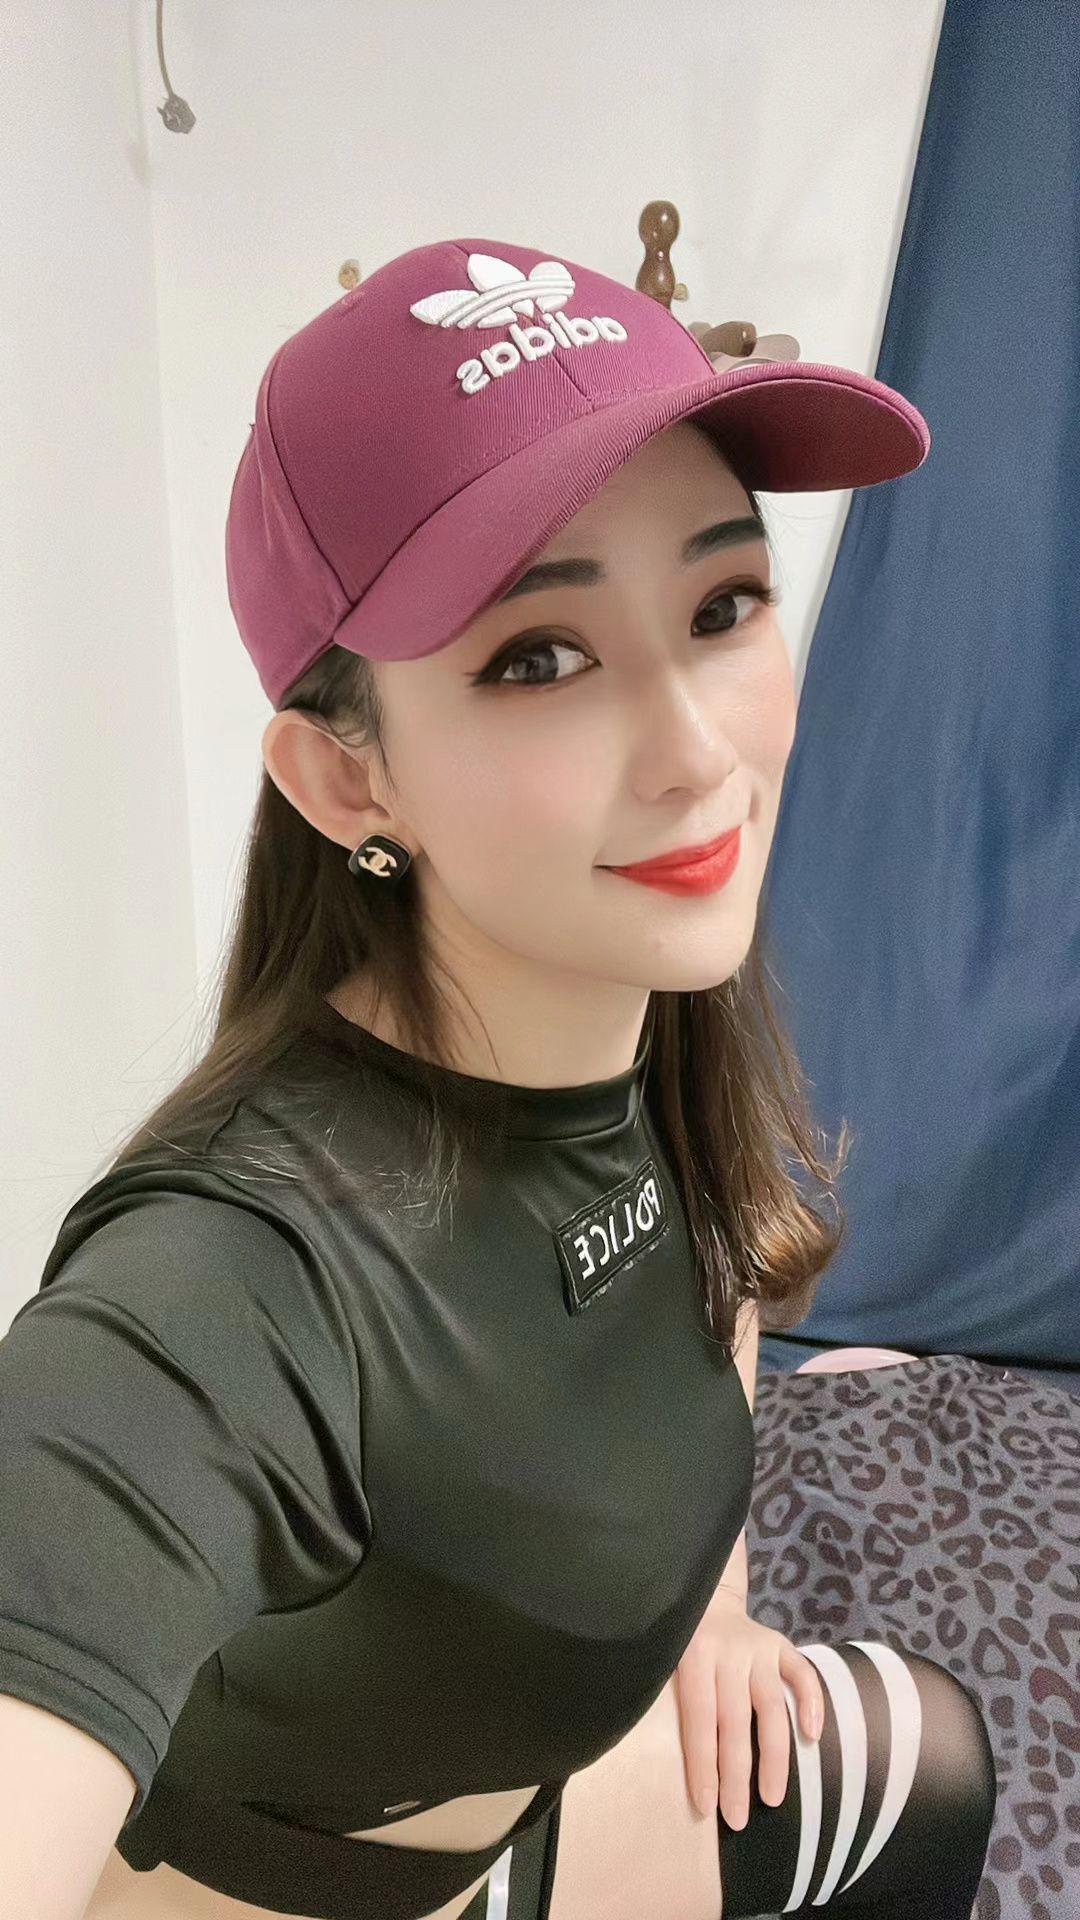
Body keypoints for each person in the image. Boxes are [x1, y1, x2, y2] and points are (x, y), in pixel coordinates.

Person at [0, 236, 996, 1920]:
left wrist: (715, 1610)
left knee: (935, 1760)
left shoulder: (631, 979)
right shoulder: (237, 1279)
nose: (697, 751)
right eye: (540, 657)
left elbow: (700, 1277)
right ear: (344, 778)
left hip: (548, 1805)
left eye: (721, 605)